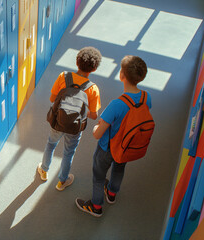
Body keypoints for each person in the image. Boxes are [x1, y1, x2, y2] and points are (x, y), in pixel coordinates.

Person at [75, 55, 151, 217]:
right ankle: (111, 194)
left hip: (107, 148)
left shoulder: (117, 104)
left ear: (122, 75)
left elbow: (97, 134)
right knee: (119, 169)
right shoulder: (146, 97)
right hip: (126, 147)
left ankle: (96, 206)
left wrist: (97, 126)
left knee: (98, 176)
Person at [37, 47, 102, 191]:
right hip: (75, 127)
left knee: (50, 144)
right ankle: (62, 181)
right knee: (68, 152)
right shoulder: (93, 89)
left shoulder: (63, 76)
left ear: (77, 62)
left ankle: (44, 171)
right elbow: (94, 115)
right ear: (94, 69)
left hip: (57, 121)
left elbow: (52, 98)